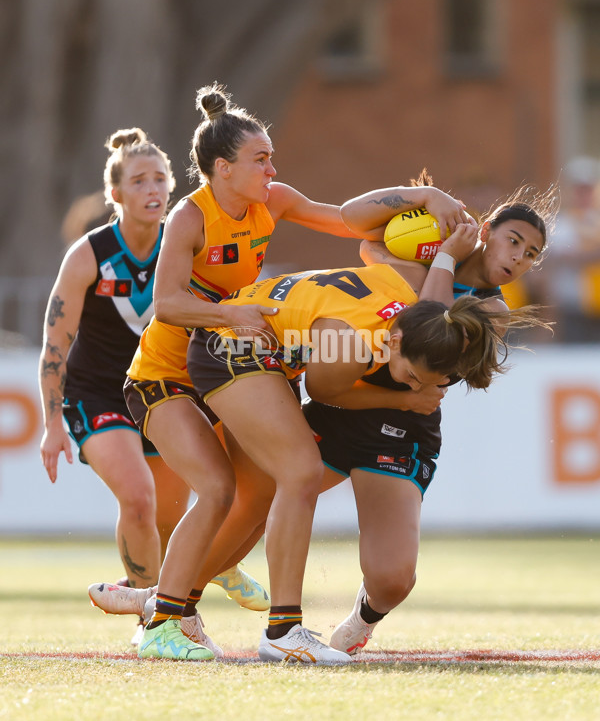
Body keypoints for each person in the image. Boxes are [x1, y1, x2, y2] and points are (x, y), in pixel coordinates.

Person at [87, 82, 366, 662]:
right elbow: (164, 304)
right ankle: (164, 621)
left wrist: (417, 214)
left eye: (271, 158)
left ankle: (166, 603)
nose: (271, 168)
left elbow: (343, 221)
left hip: (223, 370)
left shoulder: (273, 200)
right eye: (260, 159)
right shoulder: (191, 216)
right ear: (222, 168)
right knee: (214, 489)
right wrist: (230, 314)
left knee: (258, 496)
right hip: (163, 377)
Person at [303, 178, 558, 655]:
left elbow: (426, 327)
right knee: (251, 497)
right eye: (514, 241)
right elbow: (361, 232)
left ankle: (363, 616)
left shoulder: (494, 310)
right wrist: (423, 197)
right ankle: (173, 601)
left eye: (531, 254)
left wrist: (435, 261)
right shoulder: (436, 244)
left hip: (404, 425)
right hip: (345, 398)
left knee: (393, 582)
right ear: (486, 231)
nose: (519, 257)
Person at [38, 127, 266, 649]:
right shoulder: (88, 255)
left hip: (163, 389)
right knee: (138, 499)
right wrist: (53, 423)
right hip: (98, 396)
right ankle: (154, 624)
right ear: (115, 194)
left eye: (161, 178)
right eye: (139, 180)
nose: (154, 189)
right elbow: (55, 346)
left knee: (172, 521)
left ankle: (174, 599)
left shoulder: (185, 237)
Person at [537, 156, 600, 342]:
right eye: (579, 190)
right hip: (570, 305)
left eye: (588, 189)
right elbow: (559, 255)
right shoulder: (559, 223)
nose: (584, 195)